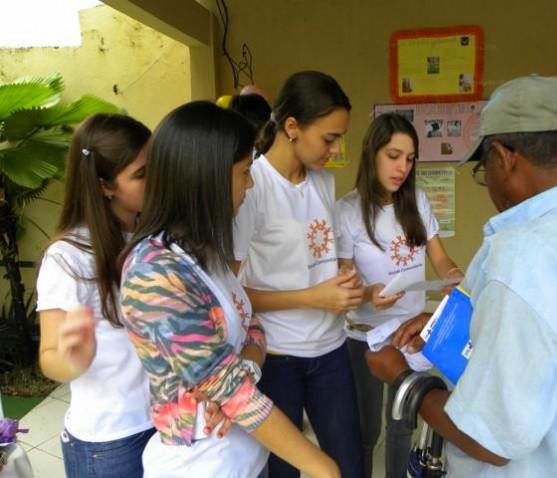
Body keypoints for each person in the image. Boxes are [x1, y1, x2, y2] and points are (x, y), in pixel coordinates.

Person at [366, 75, 557, 477]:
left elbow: (489, 440)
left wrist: (401, 376)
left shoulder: (524, 256)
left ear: (505, 157)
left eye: (483, 168)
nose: (487, 182)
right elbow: (554, 347)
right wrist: (458, 327)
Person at [119, 101, 339, 478]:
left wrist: (243, 370)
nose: (250, 185)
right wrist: (322, 467)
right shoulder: (155, 273)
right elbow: (232, 390)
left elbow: (252, 327)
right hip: (198, 465)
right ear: (208, 178)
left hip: (241, 459)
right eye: (244, 172)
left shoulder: (203, 253)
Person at [232, 70, 365, 478]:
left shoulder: (323, 181)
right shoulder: (251, 187)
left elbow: (321, 254)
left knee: (349, 465)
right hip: (277, 357)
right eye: (329, 138)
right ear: (291, 127)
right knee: (283, 471)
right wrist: (313, 297)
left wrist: (346, 278)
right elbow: (231, 297)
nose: (337, 148)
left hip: (331, 350)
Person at [334, 113, 463, 478]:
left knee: (403, 422)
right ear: (372, 153)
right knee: (365, 429)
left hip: (410, 333)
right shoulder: (347, 211)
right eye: (393, 155)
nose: (402, 167)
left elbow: (440, 258)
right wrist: (366, 294)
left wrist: (454, 278)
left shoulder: (417, 202)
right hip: (363, 336)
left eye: (409, 158)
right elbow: (342, 283)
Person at [37, 113, 154, 478]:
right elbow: (49, 358)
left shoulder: (148, 237)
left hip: (164, 422)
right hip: (110, 442)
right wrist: (74, 359)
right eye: (141, 174)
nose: (156, 180)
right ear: (105, 185)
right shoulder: (68, 256)